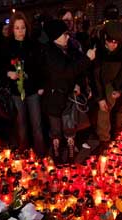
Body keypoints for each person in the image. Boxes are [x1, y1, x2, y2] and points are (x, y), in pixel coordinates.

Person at [42, 19, 96, 163]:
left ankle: (71, 152)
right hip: (54, 97)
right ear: (55, 36)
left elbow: (77, 71)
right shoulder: (50, 52)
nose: (67, 36)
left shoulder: (70, 48)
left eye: (67, 33)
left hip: (69, 98)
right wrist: (87, 59)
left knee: (69, 126)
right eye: (64, 34)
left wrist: (78, 84)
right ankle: (57, 154)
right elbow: (64, 71)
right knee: (55, 130)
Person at [2, 12, 46, 156]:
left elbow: (40, 66)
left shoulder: (33, 44)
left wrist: (41, 86)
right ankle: (24, 151)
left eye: (23, 28)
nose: (21, 31)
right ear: (12, 29)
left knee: (36, 123)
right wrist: (9, 73)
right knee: (21, 123)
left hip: (32, 90)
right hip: (16, 91)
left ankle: (40, 153)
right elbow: (0, 67)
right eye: (17, 28)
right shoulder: (7, 46)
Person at [93, 21, 122, 154]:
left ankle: (104, 141)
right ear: (104, 38)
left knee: (104, 109)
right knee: (96, 109)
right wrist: (99, 97)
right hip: (96, 82)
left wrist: (118, 89)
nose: (113, 44)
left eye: (116, 42)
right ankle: (98, 132)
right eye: (110, 41)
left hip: (111, 84)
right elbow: (94, 75)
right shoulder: (98, 49)